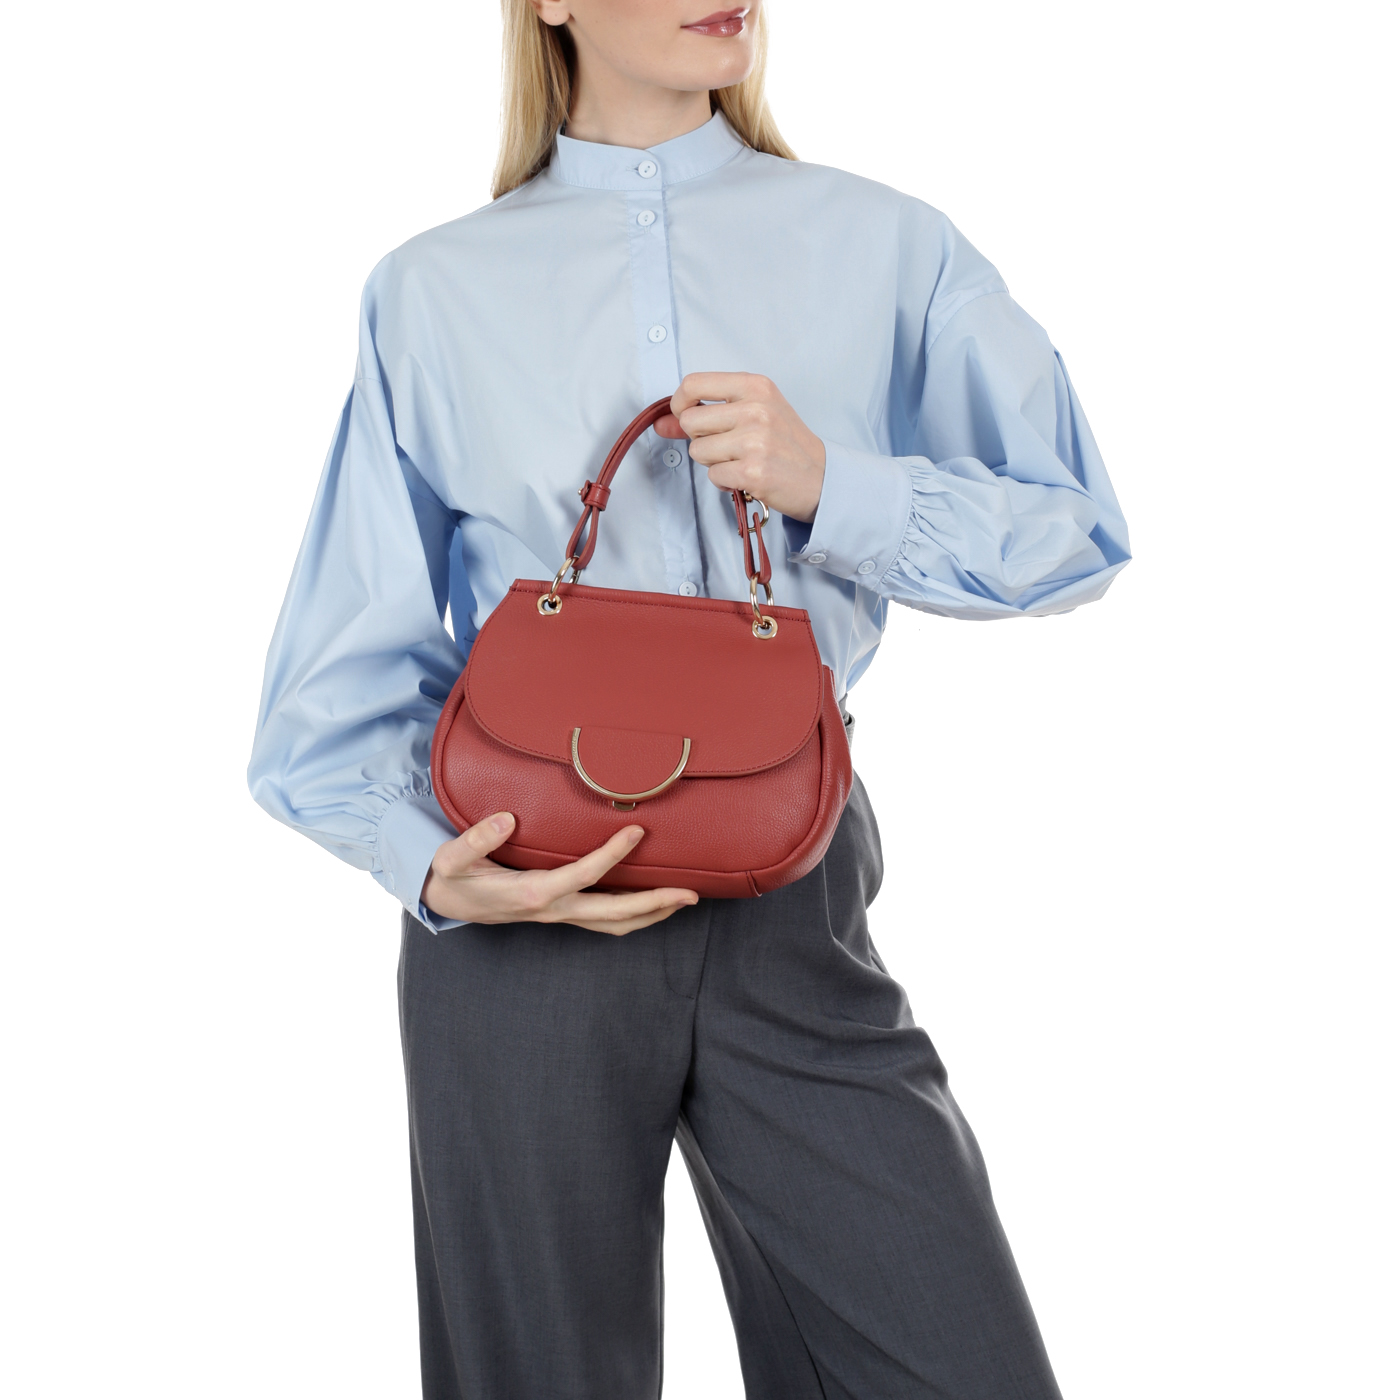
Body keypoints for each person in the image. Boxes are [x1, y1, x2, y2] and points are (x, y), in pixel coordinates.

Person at [248, 1, 1130, 1395]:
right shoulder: (432, 289)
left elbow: (1073, 529)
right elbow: (336, 671)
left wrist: (831, 482)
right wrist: (429, 864)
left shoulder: (888, 244)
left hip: (792, 892)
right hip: (521, 917)